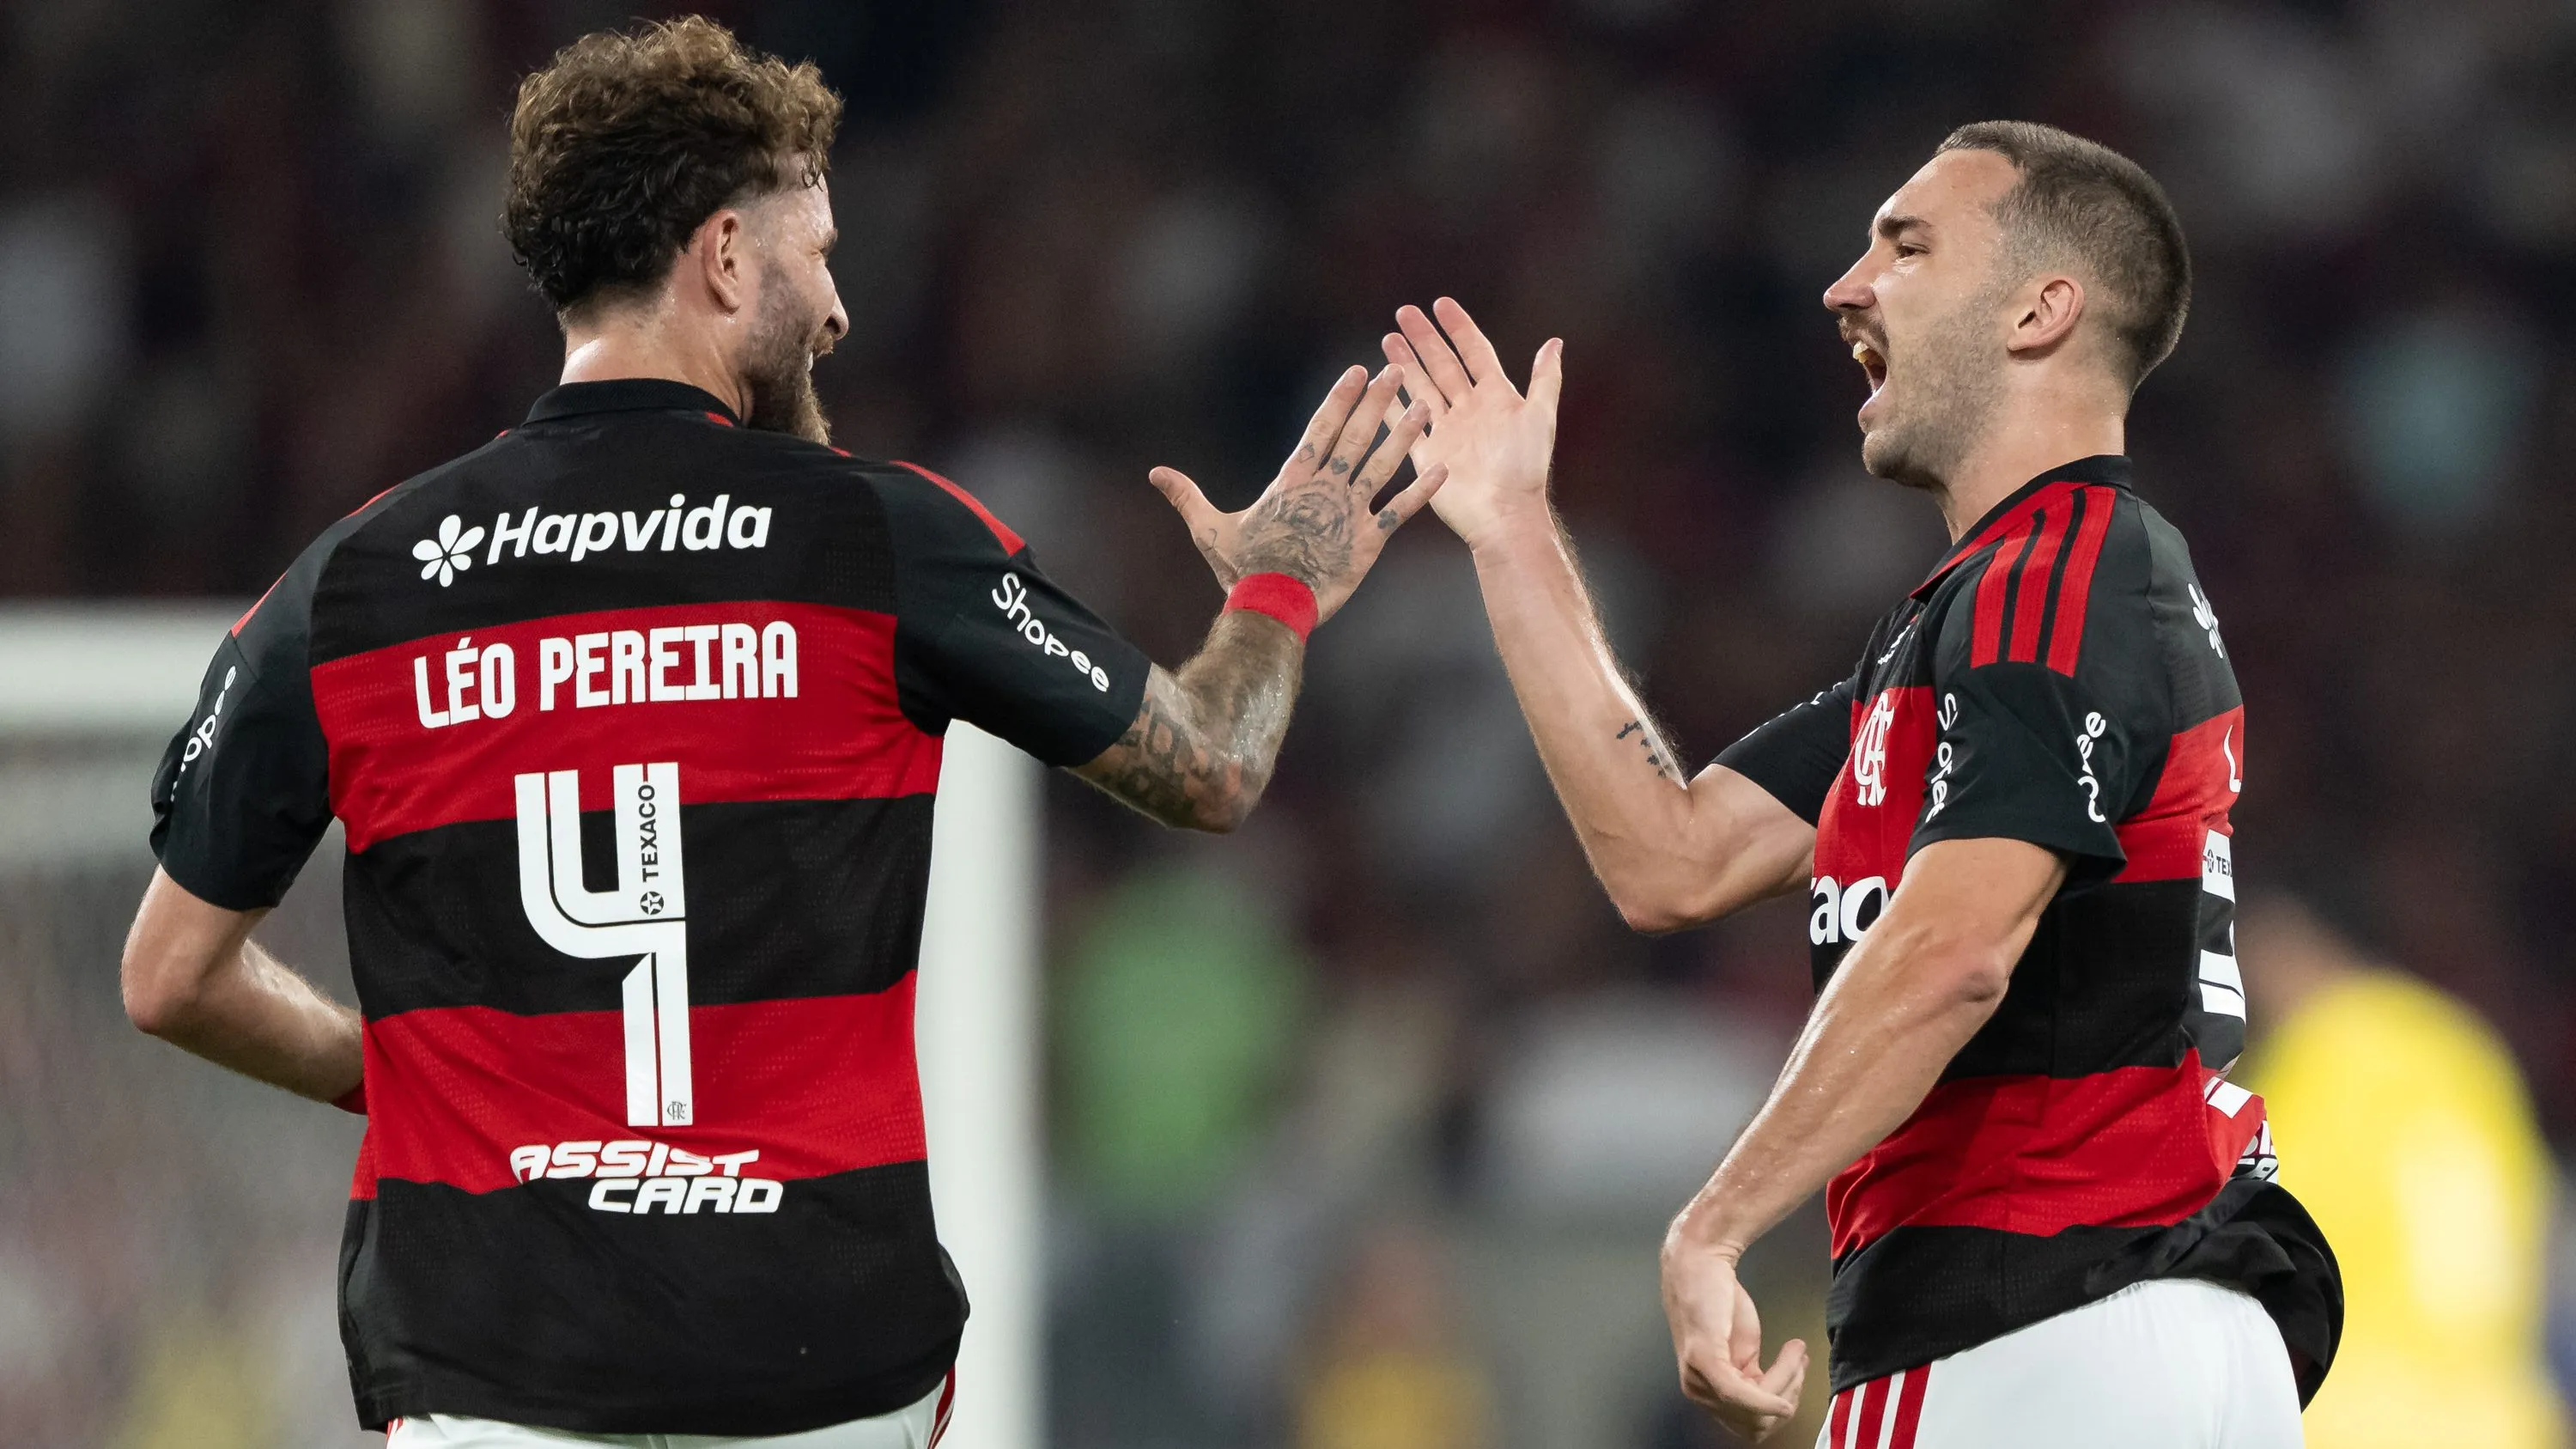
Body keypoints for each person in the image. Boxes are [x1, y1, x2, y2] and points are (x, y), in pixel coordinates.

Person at [118, 17, 1444, 1446]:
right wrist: (1280, 582)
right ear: (726, 257)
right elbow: (1215, 767)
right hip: (817, 1375)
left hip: (489, 1372)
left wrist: (394, 1075)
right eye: (817, 254)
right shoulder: (875, 540)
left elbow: (172, 976)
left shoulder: (357, 582)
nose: (838, 310)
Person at [1382, 121, 2341, 1446]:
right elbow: (1674, 855)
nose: (1847, 285)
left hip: (2038, 1319)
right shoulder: (1987, 618)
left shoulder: (2061, 574)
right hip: (2131, 1330)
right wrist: (1511, 532)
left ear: (2040, 309)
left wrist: (1716, 1220)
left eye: (1906, 244)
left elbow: (1954, 947)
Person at [2233, 894, 2567, 1449]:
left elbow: (2263, 1226)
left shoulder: (2322, 1050)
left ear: (2285, 948)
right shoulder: (2464, 1045)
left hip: (2360, 1415)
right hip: (2505, 1417)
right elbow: (2540, 1216)